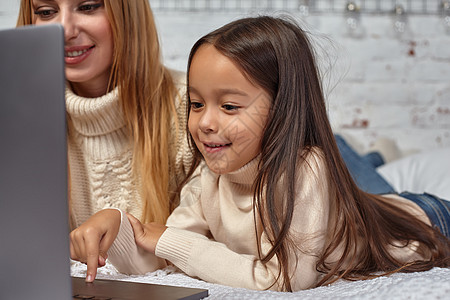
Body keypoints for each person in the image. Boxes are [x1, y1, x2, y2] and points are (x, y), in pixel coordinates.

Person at [73, 15, 450, 291]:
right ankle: (375, 159)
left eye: (230, 107)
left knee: (378, 198)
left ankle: (376, 162)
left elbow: (283, 280)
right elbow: (161, 259)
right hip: (369, 209)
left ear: (283, 107)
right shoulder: (211, 176)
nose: (205, 122)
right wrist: (117, 227)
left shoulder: (306, 169)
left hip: (425, 219)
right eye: (197, 104)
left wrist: (171, 242)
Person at [17, 0, 191, 281]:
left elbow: (223, 251)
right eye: (46, 12)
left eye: (87, 7)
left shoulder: (194, 109)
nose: (65, 29)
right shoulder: (16, 115)